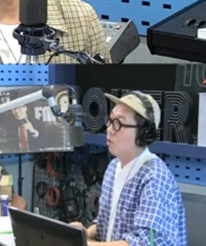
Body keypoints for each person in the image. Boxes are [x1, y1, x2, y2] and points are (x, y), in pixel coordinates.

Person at [71, 92, 187, 246]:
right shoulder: (113, 167)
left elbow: (145, 243)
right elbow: (106, 222)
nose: (109, 129)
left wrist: (83, 244)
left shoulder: (154, 178)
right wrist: (83, 234)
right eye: (110, 120)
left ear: (144, 133)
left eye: (118, 123)